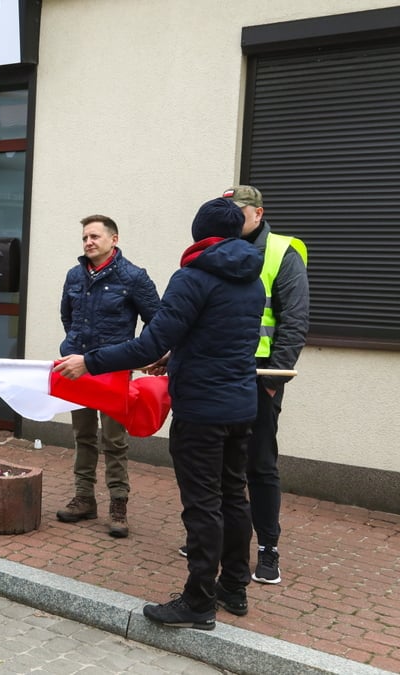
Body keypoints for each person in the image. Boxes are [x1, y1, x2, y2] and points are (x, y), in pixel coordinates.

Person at [55, 197, 264, 629]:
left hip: (203, 409)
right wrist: (178, 355)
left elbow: (150, 343)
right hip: (242, 404)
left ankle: (198, 601)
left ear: (198, 232)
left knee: (203, 505)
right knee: (233, 498)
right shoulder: (251, 278)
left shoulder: (193, 277)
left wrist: (88, 362)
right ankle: (234, 588)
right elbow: (214, 339)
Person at [222, 185, 309, 585]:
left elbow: (293, 320)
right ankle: (222, 537)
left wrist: (274, 379)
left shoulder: (282, 251)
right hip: (221, 370)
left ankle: (268, 548)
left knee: (259, 461)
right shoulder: (218, 248)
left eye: (240, 211)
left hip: (261, 374)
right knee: (221, 458)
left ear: (258, 213)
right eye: (228, 211)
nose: (234, 217)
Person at [56, 215, 159, 538]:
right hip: (77, 369)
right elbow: (67, 315)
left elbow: (156, 320)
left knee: (114, 440)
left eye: (95, 237)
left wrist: (141, 355)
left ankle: (118, 504)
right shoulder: (75, 275)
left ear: (114, 239)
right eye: (85, 237)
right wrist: (75, 347)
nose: (88, 242)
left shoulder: (134, 277)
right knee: (82, 436)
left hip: (113, 370)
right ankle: (84, 497)